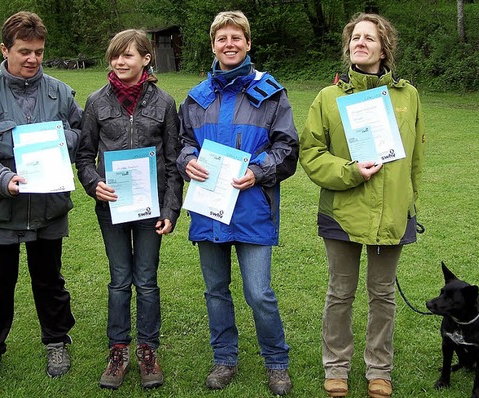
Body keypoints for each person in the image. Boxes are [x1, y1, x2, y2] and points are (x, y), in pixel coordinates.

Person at [299, 13, 425, 398]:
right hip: (342, 210)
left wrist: (410, 204)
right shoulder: (328, 97)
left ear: (384, 47)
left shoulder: (408, 96)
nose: (361, 42)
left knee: (382, 294)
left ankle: (379, 370)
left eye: (369, 38)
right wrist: (351, 171)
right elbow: (311, 153)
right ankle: (336, 367)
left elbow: (415, 158)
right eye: (355, 37)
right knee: (340, 292)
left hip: (392, 212)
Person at [0, 11, 82, 389]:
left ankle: (57, 340)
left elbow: (79, 131)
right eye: (24, 51)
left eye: (39, 52)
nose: (32, 59)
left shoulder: (60, 93)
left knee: (50, 281)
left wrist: (63, 144)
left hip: (48, 209)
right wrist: (2, 178)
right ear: (5, 49)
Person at [177, 10, 298, 396]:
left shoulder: (272, 93)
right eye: (221, 38)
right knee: (215, 290)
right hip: (209, 210)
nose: (229, 44)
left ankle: (276, 362)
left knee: (259, 292)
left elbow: (287, 148)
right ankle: (225, 358)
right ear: (213, 45)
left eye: (236, 37)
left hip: (252, 209)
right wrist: (186, 161)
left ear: (248, 43)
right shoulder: (196, 98)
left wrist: (260, 171)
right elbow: (181, 144)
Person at [75, 29, 182, 390]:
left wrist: (171, 209)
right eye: (115, 56)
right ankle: (118, 349)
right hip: (113, 209)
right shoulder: (96, 102)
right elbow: (84, 155)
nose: (119, 62)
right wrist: (93, 184)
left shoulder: (165, 103)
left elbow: (173, 161)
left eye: (128, 56)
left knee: (147, 282)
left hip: (151, 209)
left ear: (146, 60)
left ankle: (148, 350)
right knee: (120, 280)